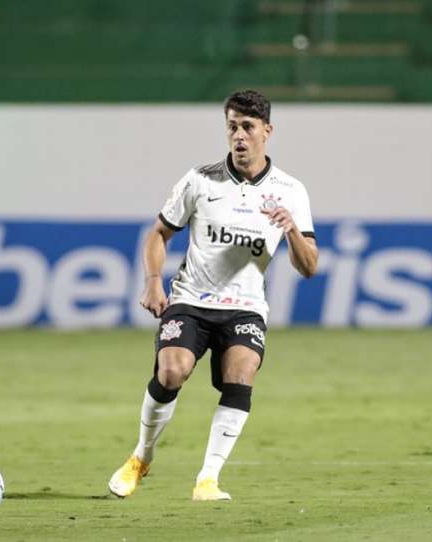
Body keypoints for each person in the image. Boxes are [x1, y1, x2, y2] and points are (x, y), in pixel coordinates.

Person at [108, 89, 318, 501]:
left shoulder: (291, 190)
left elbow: (309, 267)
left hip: (245, 307)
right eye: (232, 127)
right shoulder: (200, 180)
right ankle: (141, 457)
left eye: (248, 127)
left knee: (241, 375)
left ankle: (208, 479)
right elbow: (159, 234)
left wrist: (291, 228)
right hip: (190, 301)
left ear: (267, 131)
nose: (239, 136)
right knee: (172, 371)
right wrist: (153, 281)